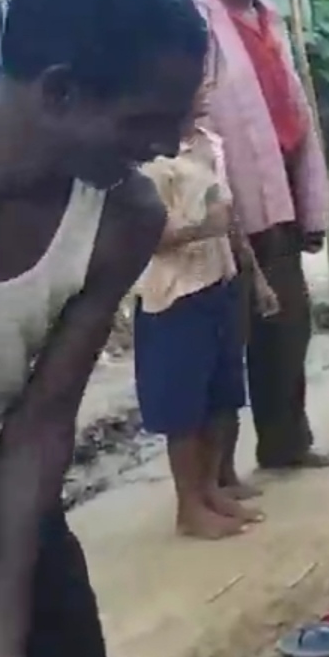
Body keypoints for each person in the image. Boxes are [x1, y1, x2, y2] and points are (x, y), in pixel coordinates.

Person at [0, 0, 208, 657]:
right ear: (59, 92)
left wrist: (1, 639)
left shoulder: (122, 216)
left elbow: (39, 425)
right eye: (146, 122)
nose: (161, 147)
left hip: (13, 511)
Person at [190, 0, 329, 476]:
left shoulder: (268, 18)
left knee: (287, 329)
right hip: (225, 205)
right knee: (228, 341)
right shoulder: (194, 21)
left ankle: (285, 443)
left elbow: (290, 110)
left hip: (280, 193)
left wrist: (311, 205)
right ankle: (216, 472)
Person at [134, 97, 279, 539]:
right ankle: (189, 507)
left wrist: (255, 278)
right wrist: (204, 228)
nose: (204, 87)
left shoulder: (209, 144)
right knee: (183, 409)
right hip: (174, 293)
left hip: (219, 281)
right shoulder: (147, 160)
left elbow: (229, 220)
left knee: (220, 397)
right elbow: (146, 238)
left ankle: (211, 489)